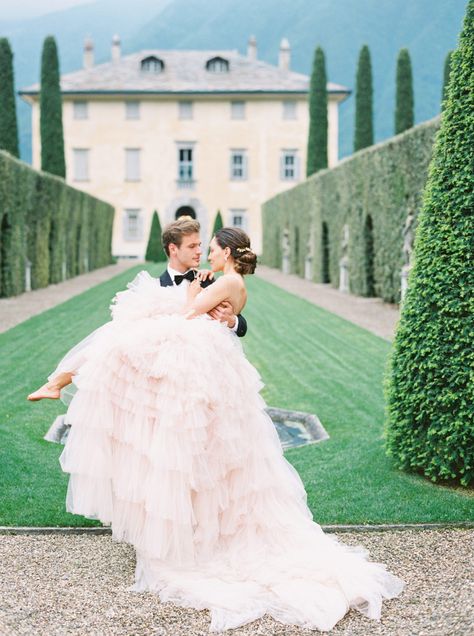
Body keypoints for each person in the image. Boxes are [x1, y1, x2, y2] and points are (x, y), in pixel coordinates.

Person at [28, 226, 404, 632]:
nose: (205, 255)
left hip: (200, 363)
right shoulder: (228, 281)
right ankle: (61, 383)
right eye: (198, 249)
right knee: (201, 447)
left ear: (226, 252)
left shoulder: (225, 279)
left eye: (209, 249)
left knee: (125, 356)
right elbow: (221, 311)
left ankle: (61, 382)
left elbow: (192, 310)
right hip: (212, 366)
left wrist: (203, 299)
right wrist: (219, 308)